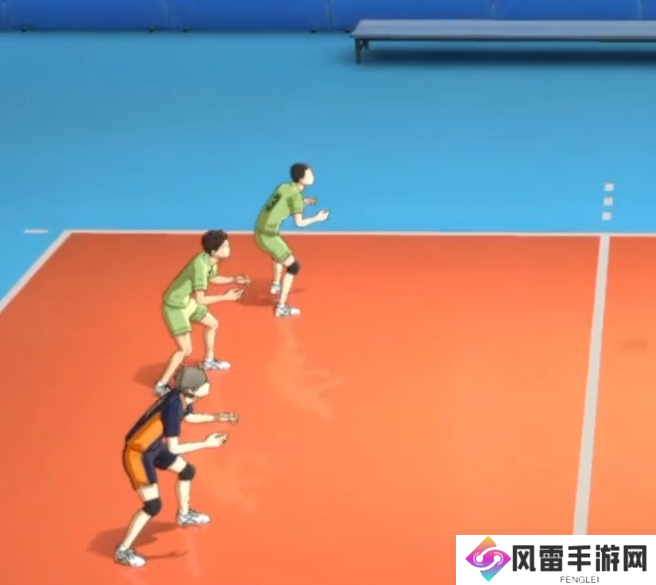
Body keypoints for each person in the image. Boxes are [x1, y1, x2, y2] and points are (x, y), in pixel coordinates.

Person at [115, 365, 239, 568]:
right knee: (153, 506)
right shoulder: (173, 407)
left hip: (153, 446)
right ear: (191, 389)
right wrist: (206, 444)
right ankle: (123, 551)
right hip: (138, 453)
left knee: (187, 471)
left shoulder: (182, 397)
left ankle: (184, 515)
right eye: (204, 383)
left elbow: (188, 417)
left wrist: (217, 417)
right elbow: (174, 448)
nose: (208, 385)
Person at [155, 230, 250, 396]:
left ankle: (209, 361)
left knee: (213, 324)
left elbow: (212, 278)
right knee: (185, 350)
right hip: (174, 306)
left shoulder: (210, 260)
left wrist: (234, 279)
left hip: (185, 301)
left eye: (228, 245)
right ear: (214, 251)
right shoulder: (200, 265)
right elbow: (201, 299)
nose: (228, 249)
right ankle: (161, 385)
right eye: (225, 246)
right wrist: (225, 297)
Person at [254, 163, 330, 317]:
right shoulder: (296, 197)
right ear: (301, 179)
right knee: (294, 267)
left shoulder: (285, 187)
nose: (313, 176)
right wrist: (317, 218)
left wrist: (305, 201)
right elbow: (299, 223)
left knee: (279, 254)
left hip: (259, 230)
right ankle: (281, 308)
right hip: (269, 236)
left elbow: (286, 201)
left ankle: (276, 284)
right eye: (310, 174)